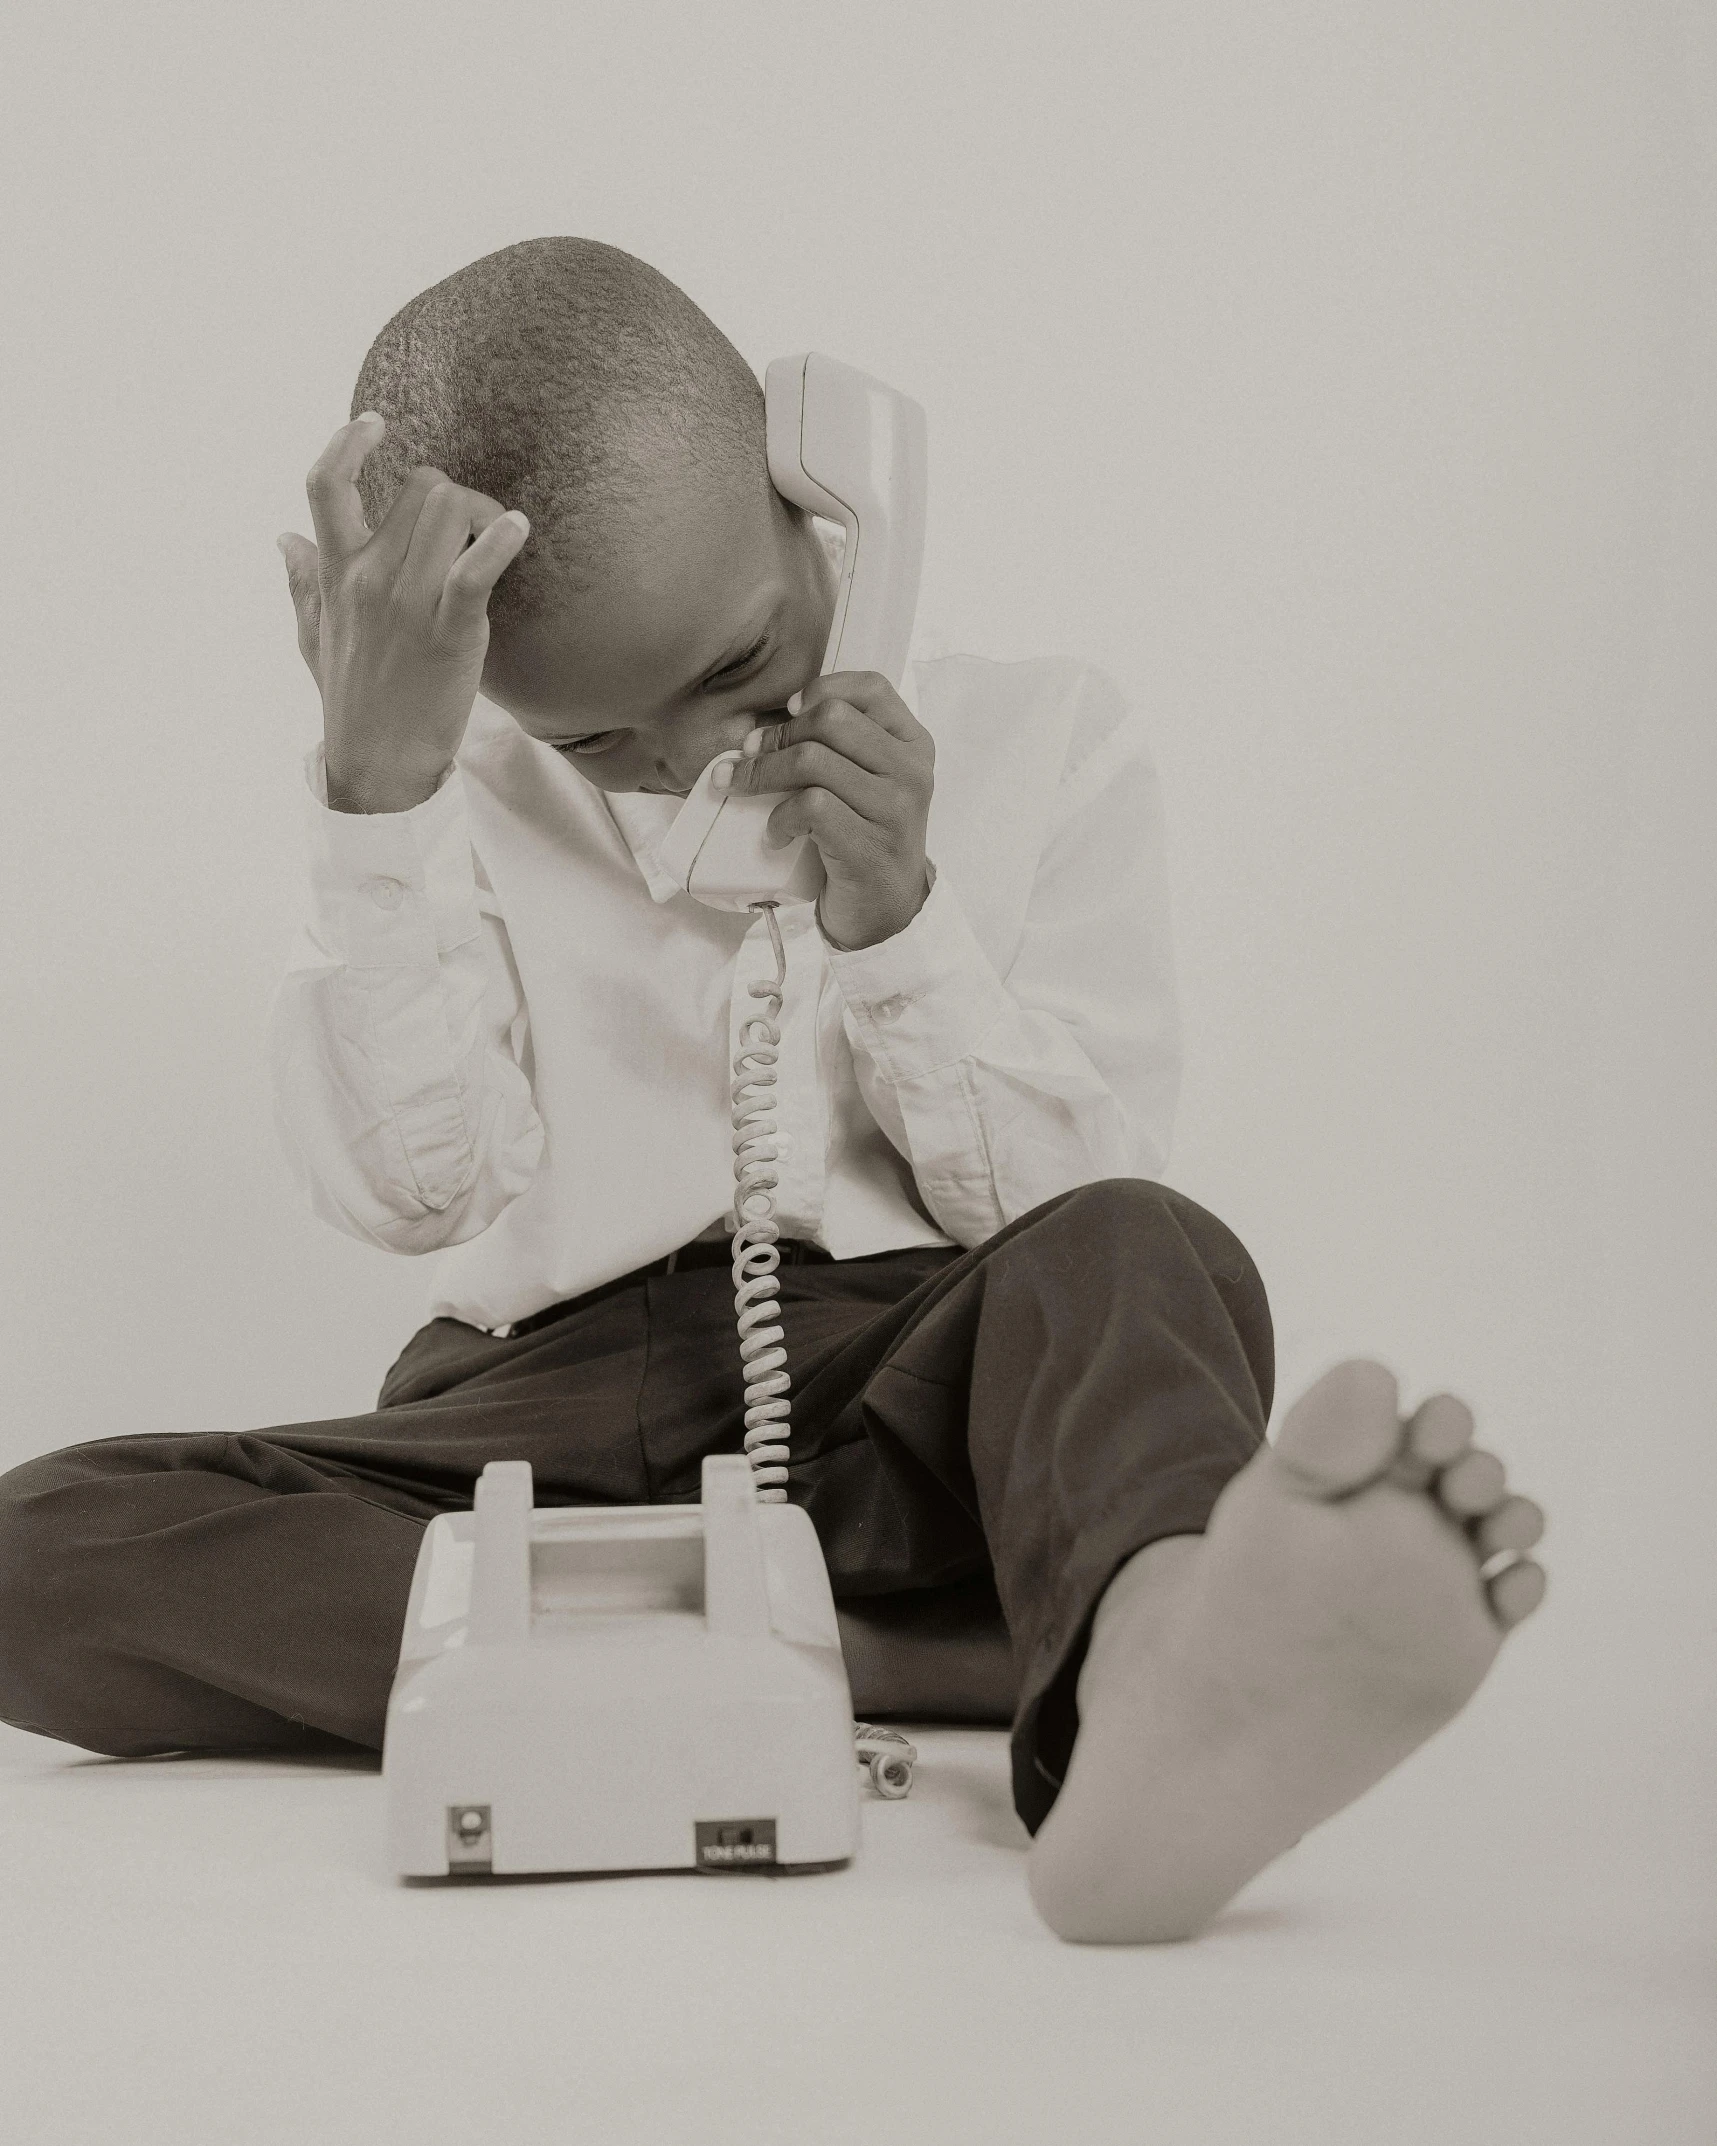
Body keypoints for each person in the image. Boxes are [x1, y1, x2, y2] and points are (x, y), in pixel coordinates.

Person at [0, 237, 1547, 1944]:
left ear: (831, 491)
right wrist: (381, 798)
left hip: (913, 1382)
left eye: (736, 672)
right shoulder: (458, 788)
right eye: (603, 738)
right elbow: (414, 1192)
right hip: (542, 1423)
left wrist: (901, 932)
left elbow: (1064, 1202)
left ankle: (1143, 1675)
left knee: (1142, 1249)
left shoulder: (1048, 734)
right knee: (41, 1546)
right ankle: (1007, 1639)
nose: (691, 765)